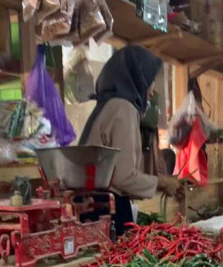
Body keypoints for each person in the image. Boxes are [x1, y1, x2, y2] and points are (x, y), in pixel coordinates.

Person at [78, 46, 183, 235]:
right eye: (150, 81)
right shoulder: (123, 108)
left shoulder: (108, 105)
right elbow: (123, 176)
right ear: (137, 77)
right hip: (105, 210)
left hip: (92, 205)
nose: (152, 91)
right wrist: (163, 182)